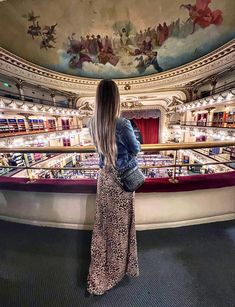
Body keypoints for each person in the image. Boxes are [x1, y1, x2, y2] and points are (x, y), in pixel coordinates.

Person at [87, 79, 141, 295]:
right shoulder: (122, 123)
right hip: (121, 182)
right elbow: (135, 149)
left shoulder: (92, 122)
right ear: (116, 98)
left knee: (103, 227)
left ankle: (100, 269)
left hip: (104, 180)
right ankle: (116, 271)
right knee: (120, 228)